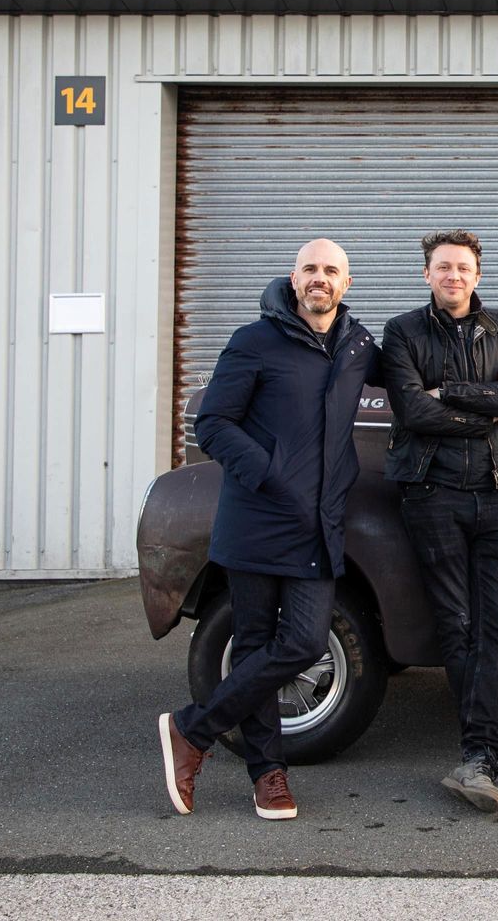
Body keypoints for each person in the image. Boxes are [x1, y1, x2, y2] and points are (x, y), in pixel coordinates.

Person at [156, 238, 378, 821]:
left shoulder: (357, 347)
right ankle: (267, 774)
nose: (320, 279)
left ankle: (191, 729)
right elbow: (214, 422)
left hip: (318, 525)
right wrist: (269, 473)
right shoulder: (254, 340)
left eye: (332, 270)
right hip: (258, 519)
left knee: (303, 641)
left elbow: (413, 379)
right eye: (310, 269)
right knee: (252, 645)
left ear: (347, 284)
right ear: (293, 277)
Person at [378, 230, 498, 812]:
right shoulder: (402, 332)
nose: (453, 276)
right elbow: (412, 409)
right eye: (443, 267)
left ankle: (481, 758)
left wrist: (451, 393)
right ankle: (485, 758)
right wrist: (482, 411)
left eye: (463, 267)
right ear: (427, 275)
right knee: (457, 623)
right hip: (432, 494)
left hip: (495, 496)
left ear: (478, 275)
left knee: (494, 628)